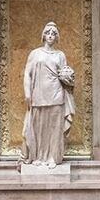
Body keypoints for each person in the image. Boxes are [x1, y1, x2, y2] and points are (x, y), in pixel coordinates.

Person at [19, 22, 75, 168]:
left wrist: (69, 76)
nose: (50, 36)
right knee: (39, 128)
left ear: (56, 37)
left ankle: (52, 157)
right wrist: (27, 93)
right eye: (48, 33)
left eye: (53, 34)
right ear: (43, 35)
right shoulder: (35, 54)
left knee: (55, 128)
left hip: (56, 94)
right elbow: (27, 74)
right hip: (38, 95)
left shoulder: (60, 55)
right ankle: (38, 156)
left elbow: (64, 74)